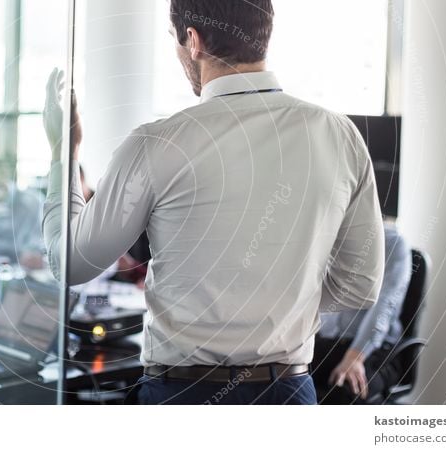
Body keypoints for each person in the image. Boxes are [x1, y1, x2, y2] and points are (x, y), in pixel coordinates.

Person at [43, 0, 385, 405]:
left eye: (175, 39)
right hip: (289, 393)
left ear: (193, 40)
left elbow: (71, 263)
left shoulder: (157, 144)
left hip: (183, 394)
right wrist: (281, 297)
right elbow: (360, 286)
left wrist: (64, 153)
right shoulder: (339, 134)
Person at [312, 223, 411, 404]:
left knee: (344, 393)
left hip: (372, 351)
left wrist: (354, 357)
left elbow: (384, 306)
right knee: (278, 383)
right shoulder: (326, 240)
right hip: (325, 343)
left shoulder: (391, 243)